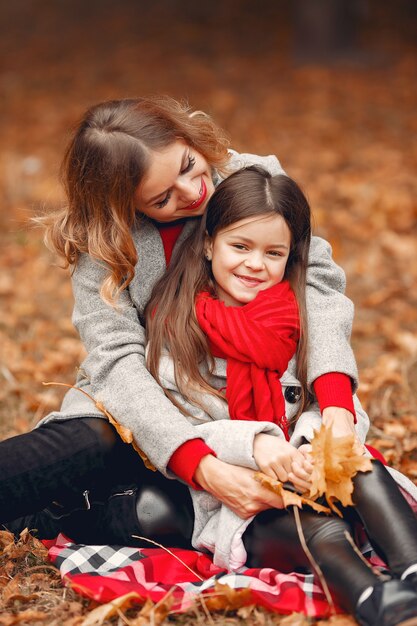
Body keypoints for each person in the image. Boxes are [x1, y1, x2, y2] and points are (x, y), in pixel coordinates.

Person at [0, 97, 363, 549]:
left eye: (188, 165)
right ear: (123, 208)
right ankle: (53, 506)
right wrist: (203, 467)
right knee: (85, 445)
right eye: (162, 197)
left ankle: (73, 511)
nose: (192, 191)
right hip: (147, 405)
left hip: (233, 408)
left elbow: (319, 285)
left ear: (188, 138)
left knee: (161, 511)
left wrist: (335, 404)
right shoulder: (105, 243)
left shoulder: (247, 180)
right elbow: (116, 361)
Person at [144, 166, 417, 626]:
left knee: (361, 465)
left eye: (274, 253)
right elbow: (178, 426)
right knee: (316, 525)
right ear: (209, 243)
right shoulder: (177, 329)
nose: (256, 264)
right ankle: (375, 599)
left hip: (308, 471)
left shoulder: (295, 316)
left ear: (290, 257)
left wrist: (311, 444)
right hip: (239, 500)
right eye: (240, 247)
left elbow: (328, 400)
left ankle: (411, 566)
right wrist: (257, 443)